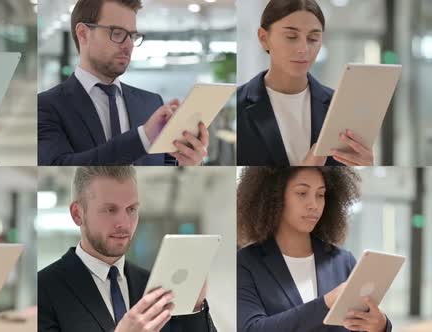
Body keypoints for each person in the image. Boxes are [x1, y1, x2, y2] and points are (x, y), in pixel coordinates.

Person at [38, 166, 216, 332]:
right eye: (109, 210)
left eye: (131, 209)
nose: (124, 223)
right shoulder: (44, 288)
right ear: (78, 214)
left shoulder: (152, 285)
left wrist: (195, 307)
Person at [38, 0, 209, 166]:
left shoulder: (151, 103)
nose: (128, 45)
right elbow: (58, 166)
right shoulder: (46, 106)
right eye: (117, 33)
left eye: (132, 36)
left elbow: (167, 168)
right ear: (83, 33)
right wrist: (142, 138)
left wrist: (190, 161)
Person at [237, 167, 391, 332]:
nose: (314, 205)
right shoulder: (246, 263)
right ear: (274, 196)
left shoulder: (343, 261)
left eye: (320, 195)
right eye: (302, 193)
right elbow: (251, 328)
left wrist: (381, 325)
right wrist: (326, 303)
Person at [237, 0, 374, 166]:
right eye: (291, 37)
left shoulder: (340, 106)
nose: (303, 49)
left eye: (313, 38)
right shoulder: (235, 104)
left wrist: (365, 166)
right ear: (264, 38)